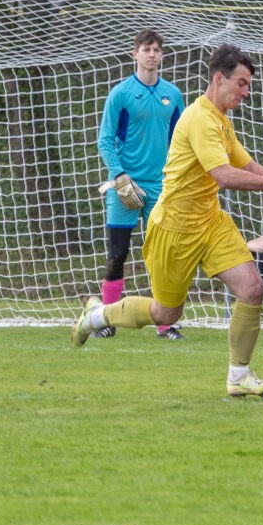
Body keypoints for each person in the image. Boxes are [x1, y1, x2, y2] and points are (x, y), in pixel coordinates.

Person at [71, 44, 263, 399]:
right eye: (242, 83)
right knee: (165, 312)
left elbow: (244, 164)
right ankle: (96, 316)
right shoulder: (200, 119)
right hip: (174, 229)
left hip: (210, 222)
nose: (246, 92)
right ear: (219, 78)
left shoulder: (221, 120)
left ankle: (239, 375)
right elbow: (223, 174)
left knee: (252, 288)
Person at [94, 28, 186, 340]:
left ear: (162, 55)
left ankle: (165, 323)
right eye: (147, 49)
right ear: (135, 54)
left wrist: (177, 177)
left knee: (162, 255)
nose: (152, 54)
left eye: (157, 49)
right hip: (124, 185)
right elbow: (105, 140)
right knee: (118, 253)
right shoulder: (120, 94)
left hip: (160, 186)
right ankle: (104, 319)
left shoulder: (173, 95)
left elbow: (180, 141)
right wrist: (120, 175)